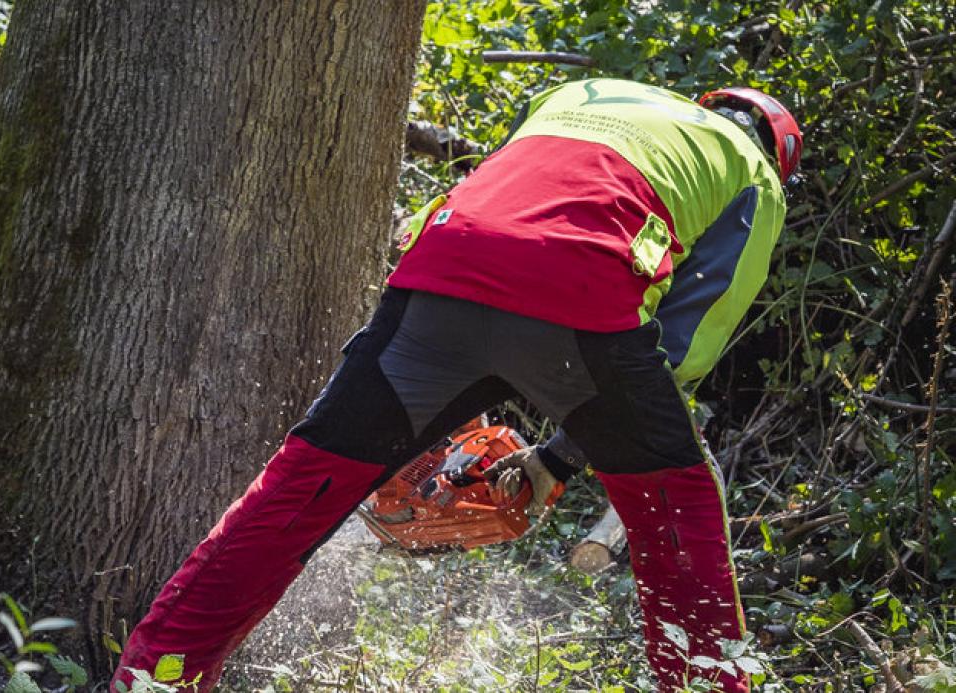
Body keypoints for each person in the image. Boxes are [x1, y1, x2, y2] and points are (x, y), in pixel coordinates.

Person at [111, 78, 802, 693]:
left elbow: (499, 207)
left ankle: (155, 676)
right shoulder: (754, 175)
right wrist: (557, 458)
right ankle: (707, 682)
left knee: (300, 487)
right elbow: (682, 347)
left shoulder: (582, 94)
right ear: (779, 156)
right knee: (677, 504)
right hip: (584, 295)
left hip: (436, 272)